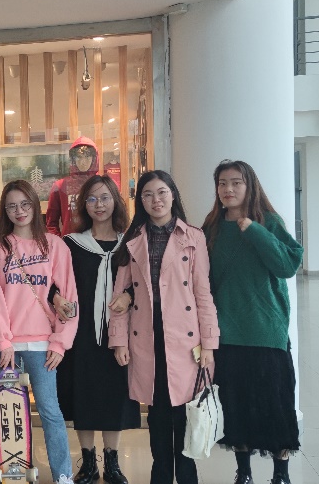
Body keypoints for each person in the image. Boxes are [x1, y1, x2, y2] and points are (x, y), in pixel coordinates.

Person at [107, 170, 219, 484]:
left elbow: (203, 293)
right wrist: (119, 340)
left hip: (184, 338)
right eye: (147, 194)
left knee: (184, 411)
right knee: (157, 414)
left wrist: (210, 343)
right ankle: (160, 475)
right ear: (140, 201)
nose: (155, 200)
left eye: (161, 192)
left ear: (172, 195)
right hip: (146, 335)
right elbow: (120, 295)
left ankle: (187, 476)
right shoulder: (133, 240)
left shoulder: (193, 236)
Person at [201, 161, 303, 484]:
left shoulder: (268, 222)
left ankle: (280, 474)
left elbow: (288, 265)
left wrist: (254, 230)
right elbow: (202, 279)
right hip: (228, 333)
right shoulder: (212, 227)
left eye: (236, 182)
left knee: (276, 405)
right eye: (222, 183)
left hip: (266, 331)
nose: (228, 189)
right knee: (236, 406)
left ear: (250, 186)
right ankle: (243, 472)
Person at [0, 180, 79, 484]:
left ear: (35, 206)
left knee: (50, 411)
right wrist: (3, 341)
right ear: (4, 210)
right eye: (12, 205)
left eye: (25, 204)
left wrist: (60, 343)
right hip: (6, 347)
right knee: (9, 415)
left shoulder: (55, 245)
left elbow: (69, 296)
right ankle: (15, 473)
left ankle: (63, 475)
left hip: (42, 344)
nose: (19, 211)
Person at [55, 175, 139, 484]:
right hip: (81, 334)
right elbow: (54, 281)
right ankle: (88, 462)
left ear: (116, 201)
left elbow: (142, 284)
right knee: (84, 394)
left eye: (104, 198)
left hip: (119, 334)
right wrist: (56, 297)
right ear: (83, 205)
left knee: (115, 394)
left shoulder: (129, 243)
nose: (98, 205)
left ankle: (112, 462)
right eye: (91, 199)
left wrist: (129, 296)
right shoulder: (71, 244)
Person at [46, 137, 101, 236]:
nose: (83, 162)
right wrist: (59, 242)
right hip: (70, 242)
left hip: (99, 242)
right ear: (73, 159)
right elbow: (51, 223)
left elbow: (116, 217)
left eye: (87, 157)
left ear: (94, 158)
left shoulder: (102, 185)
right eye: (79, 157)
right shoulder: (60, 186)